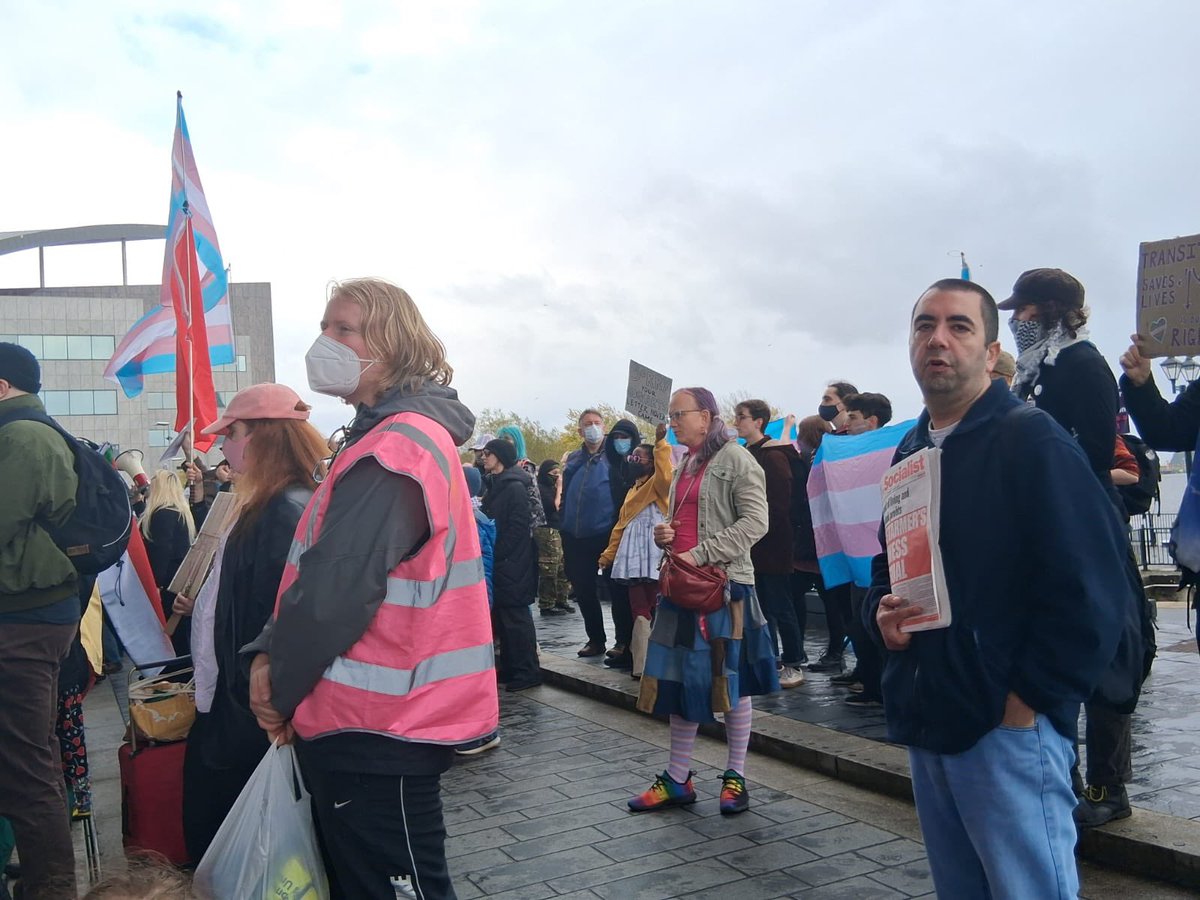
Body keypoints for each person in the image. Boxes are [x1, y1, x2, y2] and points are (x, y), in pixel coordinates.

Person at [866, 278, 1132, 898]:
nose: (938, 339)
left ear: (990, 353)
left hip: (1007, 728)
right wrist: (879, 614)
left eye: (959, 326)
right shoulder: (910, 448)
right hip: (930, 716)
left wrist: (1028, 701)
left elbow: (1094, 589)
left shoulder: (1032, 439)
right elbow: (888, 563)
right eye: (925, 325)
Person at [246, 278, 497, 900]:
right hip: (374, 718)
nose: (325, 341)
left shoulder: (397, 447)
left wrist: (277, 684)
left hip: (378, 724)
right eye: (324, 327)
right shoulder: (384, 438)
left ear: (390, 345)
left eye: (344, 329)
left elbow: (334, 590)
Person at [998, 268, 1133, 827]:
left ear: (1052, 309)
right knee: (1055, 647)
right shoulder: (1035, 369)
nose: (1015, 320)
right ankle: (1065, 778)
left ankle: (1108, 787)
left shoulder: (1082, 363)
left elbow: (1097, 451)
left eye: (1024, 309)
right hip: (1044, 524)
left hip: (1084, 524)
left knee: (1105, 652)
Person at [176, 383, 328, 862]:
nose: (224, 446)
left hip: (248, 714)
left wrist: (250, 710)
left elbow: (277, 623)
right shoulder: (271, 503)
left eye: (232, 433)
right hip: (239, 704)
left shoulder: (283, 510)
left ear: (264, 436)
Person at [630, 387, 778, 816]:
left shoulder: (737, 459)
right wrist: (665, 535)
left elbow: (756, 523)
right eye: (671, 415)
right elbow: (682, 521)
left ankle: (735, 777)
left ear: (706, 416)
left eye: (679, 414)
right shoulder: (686, 464)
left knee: (732, 682)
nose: (672, 422)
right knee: (679, 681)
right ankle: (678, 779)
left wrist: (701, 553)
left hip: (724, 587)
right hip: (682, 587)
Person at [0, 341, 79, 899]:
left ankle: (50, 889)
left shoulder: (22, 437)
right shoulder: (27, 432)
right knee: (28, 760)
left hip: (22, 620)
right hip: (32, 616)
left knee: (27, 768)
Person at [734, 400, 805, 689]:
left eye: (742, 417)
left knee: (780, 604)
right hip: (752, 544)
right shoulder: (746, 452)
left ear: (759, 421)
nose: (737, 422)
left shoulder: (773, 455)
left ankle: (794, 661)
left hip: (773, 542)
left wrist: (756, 528)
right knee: (761, 605)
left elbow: (779, 503)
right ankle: (770, 658)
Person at [833, 391, 893, 709]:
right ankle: (868, 680)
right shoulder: (848, 454)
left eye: (853, 417)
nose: (847, 423)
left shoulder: (891, 450)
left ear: (872, 421)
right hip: (856, 552)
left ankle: (879, 688)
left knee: (873, 621)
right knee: (859, 620)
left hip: (877, 553)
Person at [598, 424, 673, 678]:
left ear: (652, 463)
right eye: (632, 457)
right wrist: (608, 555)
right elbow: (621, 525)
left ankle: (661, 662)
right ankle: (641, 665)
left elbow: (666, 477)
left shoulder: (658, 486)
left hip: (654, 554)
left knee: (658, 606)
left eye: (639, 457)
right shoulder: (633, 489)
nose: (633, 460)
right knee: (639, 608)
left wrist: (661, 444)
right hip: (632, 558)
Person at [480, 438, 542, 692]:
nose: (484, 457)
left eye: (488, 453)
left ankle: (527, 670)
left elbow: (517, 526)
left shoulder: (514, 487)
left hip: (512, 561)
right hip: (503, 560)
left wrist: (499, 551)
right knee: (505, 617)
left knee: (516, 617)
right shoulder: (497, 484)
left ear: (501, 457)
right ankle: (511, 667)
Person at [807, 381, 857, 675]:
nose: (823, 404)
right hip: (829, 532)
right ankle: (841, 655)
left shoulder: (854, 440)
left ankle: (864, 668)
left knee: (854, 603)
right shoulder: (829, 442)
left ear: (844, 403)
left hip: (851, 534)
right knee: (838, 601)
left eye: (828, 399)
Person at [560, 409, 619, 657]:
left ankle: (622, 642)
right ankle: (595, 639)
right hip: (574, 535)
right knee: (583, 589)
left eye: (597, 423)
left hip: (605, 532)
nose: (593, 427)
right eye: (587, 424)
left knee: (616, 589)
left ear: (604, 427)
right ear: (580, 431)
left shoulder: (614, 457)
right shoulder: (574, 459)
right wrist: (562, 520)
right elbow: (565, 493)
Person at [455, 466, 500, 757]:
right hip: (473, 599)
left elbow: (478, 565)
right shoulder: (475, 516)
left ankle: (480, 732)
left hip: (472, 600)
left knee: (468, 667)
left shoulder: (471, 520)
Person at [788, 415, 833, 675]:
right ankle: (832, 651)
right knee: (831, 601)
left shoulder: (807, 461)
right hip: (822, 543)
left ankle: (800, 647)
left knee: (797, 597)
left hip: (809, 543)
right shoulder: (820, 459)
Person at [600, 419, 643, 669]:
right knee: (617, 595)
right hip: (611, 535)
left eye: (624, 437)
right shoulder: (607, 467)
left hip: (636, 539)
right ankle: (622, 641)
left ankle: (635, 646)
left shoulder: (639, 469)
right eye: (615, 437)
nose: (620, 442)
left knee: (636, 596)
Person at [141, 468, 197, 655]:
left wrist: (156, 585)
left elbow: (161, 552)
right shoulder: (181, 512)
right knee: (180, 630)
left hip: (167, 582)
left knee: (169, 631)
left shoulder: (162, 514)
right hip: (180, 578)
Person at [534, 460, 573, 616]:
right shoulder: (541, 489)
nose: (557, 477)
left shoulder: (552, 488)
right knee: (550, 567)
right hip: (546, 530)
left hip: (559, 528)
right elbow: (555, 506)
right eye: (554, 474)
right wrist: (559, 488)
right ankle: (547, 603)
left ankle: (561, 599)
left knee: (563, 567)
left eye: (558, 473)